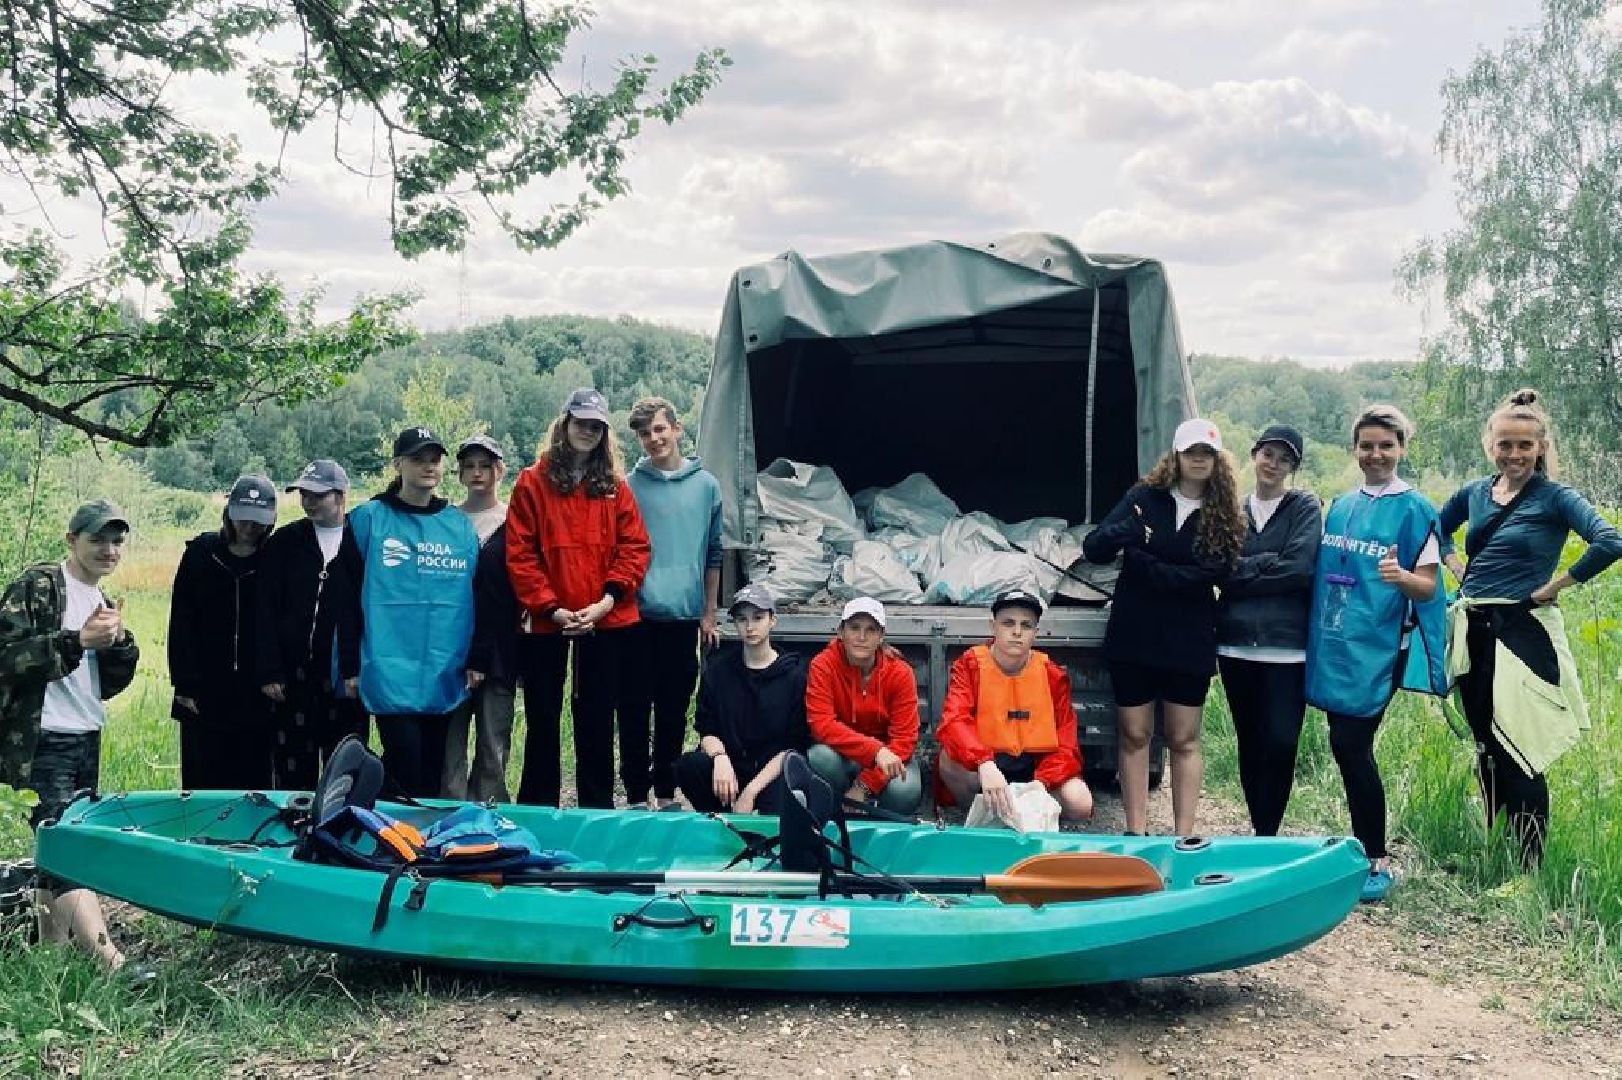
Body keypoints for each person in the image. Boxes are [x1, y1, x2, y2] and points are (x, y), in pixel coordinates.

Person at [1439, 389, 1622, 867]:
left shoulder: (1555, 497)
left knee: (1521, 748)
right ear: (1490, 445)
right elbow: (1435, 528)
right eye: (1505, 444)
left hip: (1522, 632)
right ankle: (1494, 849)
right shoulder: (1475, 493)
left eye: (1524, 445)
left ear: (1540, 446)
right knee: (1486, 744)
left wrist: (1556, 586)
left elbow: (1609, 541)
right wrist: (1454, 563)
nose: (1514, 454)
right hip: (1473, 630)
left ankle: (1530, 868)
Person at [1306, 404, 1448, 903]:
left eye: (1386, 445)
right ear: (1355, 450)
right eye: (1367, 445)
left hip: (1380, 649)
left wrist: (1401, 578)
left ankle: (1377, 857)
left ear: (1402, 449)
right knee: (1341, 742)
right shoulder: (1341, 505)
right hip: (1338, 644)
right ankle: (1361, 847)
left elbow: (1429, 589)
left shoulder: (1415, 509)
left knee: (1351, 744)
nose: (1376, 454)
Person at [1082, 418, 1244, 836]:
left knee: (1183, 738)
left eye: (1206, 453)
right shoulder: (1144, 498)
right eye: (1191, 451)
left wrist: (1145, 561)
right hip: (1135, 633)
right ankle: (1135, 830)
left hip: (1189, 638)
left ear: (1217, 459)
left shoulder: (1224, 510)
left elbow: (1216, 572)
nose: (1198, 459)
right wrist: (1128, 534)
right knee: (1134, 734)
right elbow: (1096, 547)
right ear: (1176, 455)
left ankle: (1184, 834)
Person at [0, 499, 139, 972]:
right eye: (98, 538)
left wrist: (119, 646)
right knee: (70, 848)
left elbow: (107, 684)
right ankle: (110, 961)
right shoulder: (39, 586)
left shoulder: (101, 601)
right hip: (42, 739)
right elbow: (7, 657)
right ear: (71, 540)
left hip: (86, 734)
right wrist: (75, 641)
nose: (109, 549)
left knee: (54, 850)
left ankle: (49, 959)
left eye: (117, 540)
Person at [507, 388, 651, 808]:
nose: (587, 431)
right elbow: (521, 553)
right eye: (580, 422)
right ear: (564, 424)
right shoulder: (532, 482)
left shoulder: (616, 487)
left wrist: (607, 601)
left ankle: (597, 807)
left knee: (597, 719)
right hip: (547, 619)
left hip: (605, 619)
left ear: (604, 432)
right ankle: (538, 806)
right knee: (543, 718)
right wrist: (552, 607)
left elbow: (634, 548)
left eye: (596, 426)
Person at [336, 426, 480, 798]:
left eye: (434, 459)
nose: (428, 467)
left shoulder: (458, 526)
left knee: (433, 768)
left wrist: (475, 658)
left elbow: (478, 595)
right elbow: (345, 598)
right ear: (399, 464)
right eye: (418, 459)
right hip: (387, 668)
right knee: (404, 760)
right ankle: (384, 835)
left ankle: (419, 846)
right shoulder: (368, 519)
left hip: (443, 668)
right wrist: (350, 665)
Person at [1216, 425, 1322, 836]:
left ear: (1293, 468)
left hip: (1287, 648)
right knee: (1250, 741)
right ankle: (1261, 832)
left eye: (1284, 459)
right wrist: (1265, 563)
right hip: (1235, 644)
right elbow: (1220, 568)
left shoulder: (1304, 506)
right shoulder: (1232, 510)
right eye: (1268, 454)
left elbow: (1299, 568)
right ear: (1255, 454)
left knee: (1281, 741)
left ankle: (1269, 831)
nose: (1273, 464)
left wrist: (1245, 569)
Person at [619, 397, 723, 809]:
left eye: (660, 429)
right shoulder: (629, 486)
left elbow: (714, 554)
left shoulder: (706, 486)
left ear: (677, 429)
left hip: (683, 617)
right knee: (632, 710)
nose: (653, 439)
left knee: (673, 710)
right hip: (635, 617)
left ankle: (665, 791)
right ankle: (634, 794)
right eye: (645, 434)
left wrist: (709, 613)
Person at [254, 459, 368, 790]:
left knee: (345, 767)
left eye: (318, 495)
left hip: (345, 677)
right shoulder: (285, 542)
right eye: (304, 494)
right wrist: (269, 669)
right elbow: (266, 609)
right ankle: (291, 832)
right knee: (292, 767)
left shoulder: (360, 541)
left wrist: (358, 667)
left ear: (341, 495)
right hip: (293, 675)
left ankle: (339, 832)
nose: (310, 502)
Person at [935, 589, 1094, 825]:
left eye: (1026, 625)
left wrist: (1042, 782)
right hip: (987, 765)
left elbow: (1067, 745)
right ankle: (979, 813)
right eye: (1008, 623)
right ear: (993, 626)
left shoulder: (1052, 675)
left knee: (1080, 802)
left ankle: (1030, 814)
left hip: (1035, 768)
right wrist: (984, 763)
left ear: (1036, 633)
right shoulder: (969, 666)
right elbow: (954, 722)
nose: (1017, 632)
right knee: (948, 762)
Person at [168, 474, 278, 790]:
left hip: (256, 691)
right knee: (203, 778)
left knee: (254, 780)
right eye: (242, 518)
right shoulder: (201, 553)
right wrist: (184, 683)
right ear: (229, 513)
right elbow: (181, 622)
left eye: (258, 521)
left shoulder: (274, 558)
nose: (249, 527)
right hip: (204, 689)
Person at [675, 584, 810, 815]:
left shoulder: (795, 675)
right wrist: (720, 758)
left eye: (758, 618)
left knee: (787, 791)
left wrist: (751, 792)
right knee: (689, 766)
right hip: (732, 767)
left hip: (773, 771)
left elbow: (794, 745)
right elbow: (707, 728)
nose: (750, 627)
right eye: (742, 619)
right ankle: (721, 820)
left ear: (772, 620)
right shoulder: (718, 671)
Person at [441, 434, 518, 803]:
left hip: (501, 646)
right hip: (451, 644)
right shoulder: (446, 520)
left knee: (493, 742)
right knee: (449, 747)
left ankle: (489, 820)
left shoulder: (514, 521)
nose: (477, 473)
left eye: (484, 466)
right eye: (469, 466)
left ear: (498, 471)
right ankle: (447, 821)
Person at [804, 597, 922, 814]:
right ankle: (836, 809)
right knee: (819, 757)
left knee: (905, 791)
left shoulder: (900, 672)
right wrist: (875, 751)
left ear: (881, 636)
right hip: (842, 754)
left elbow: (904, 740)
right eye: (854, 628)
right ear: (841, 632)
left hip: (890, 755)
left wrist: (865, 785)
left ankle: (877, 817)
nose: (861, 637)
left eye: (871, 629)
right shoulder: (823, 665)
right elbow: (821, 725)